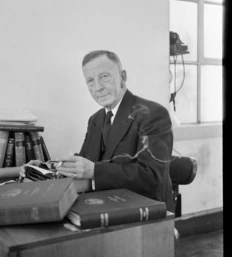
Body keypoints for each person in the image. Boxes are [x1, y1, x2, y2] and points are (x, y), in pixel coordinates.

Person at [20, 50, 174, 212]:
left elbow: (152, 176)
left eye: (104, 77)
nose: (98, 88)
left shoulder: (153, 114)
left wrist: (94, 171)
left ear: (123, 77)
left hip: (145, 212)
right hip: (104, 205)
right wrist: (46, 168)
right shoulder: (96, 120)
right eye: (90, 81)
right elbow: (85, 160)